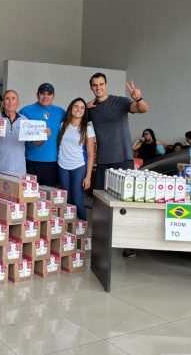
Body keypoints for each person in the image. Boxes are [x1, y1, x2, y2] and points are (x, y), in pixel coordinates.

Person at [87, 73, 148, 258]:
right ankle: (100, 241)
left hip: (123, 158)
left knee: (126, 203)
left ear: (106, 85)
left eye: (101, 84)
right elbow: (73, 119)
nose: (98, 88)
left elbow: (143, 108)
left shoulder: (120, 101)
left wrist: (139, 98)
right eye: (95, 85)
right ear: (91, 87)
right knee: (100, 204)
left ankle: (128, 244)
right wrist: (84, 106)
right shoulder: (91, 109)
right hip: (104, 161)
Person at [57, 98, 96, 220]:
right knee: (66, 199)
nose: (78, 109)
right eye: (76, 106)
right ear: (71, 108)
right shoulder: (63, 125)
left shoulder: (87, 128)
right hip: (62, 165)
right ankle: (69, 230)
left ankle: (82, 231)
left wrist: (88, 176)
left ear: (85, 112)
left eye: (82, 108)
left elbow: (91, 154)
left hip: (78, 166)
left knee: (77, 198)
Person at [20, 83, 66, 186]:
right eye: (42, 93)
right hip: (31, 159)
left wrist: (87, 106)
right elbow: (15, 127)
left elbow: (76, 118)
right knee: (30, 194)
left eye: (49, 94)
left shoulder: (60, 112)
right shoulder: (26, 111)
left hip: (52, 160)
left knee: (48, 195)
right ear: (37, 94)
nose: (45, 97)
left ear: (53, 96)